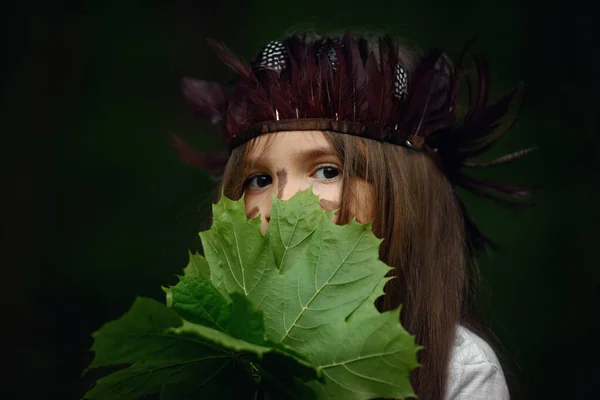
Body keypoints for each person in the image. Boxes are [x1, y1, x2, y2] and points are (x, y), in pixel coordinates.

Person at [172, 32, 533, 400]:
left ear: (404, 196)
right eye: (260, 180)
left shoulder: (458, 371)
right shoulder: (209, 367)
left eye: (328, 171)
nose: (283, 204)